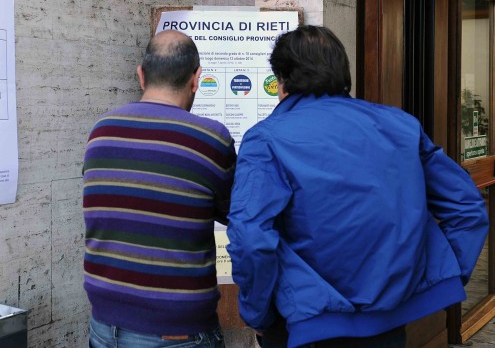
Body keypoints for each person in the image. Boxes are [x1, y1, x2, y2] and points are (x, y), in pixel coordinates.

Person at [226, 25, 489, 348]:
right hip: (388, 323)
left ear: (282, 80)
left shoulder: (266, 138)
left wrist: (258, 315)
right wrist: (435, 279)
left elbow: (251, 237)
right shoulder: (401, 126)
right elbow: (467, 207)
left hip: (303, 327)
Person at [82, 30, 236, 347]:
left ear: (141, 75)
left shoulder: (101, 132)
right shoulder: (211, 139)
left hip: (104, 325)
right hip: (178, 331)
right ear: (196, 79)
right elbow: (234, 211)